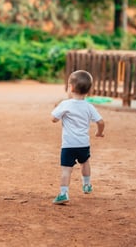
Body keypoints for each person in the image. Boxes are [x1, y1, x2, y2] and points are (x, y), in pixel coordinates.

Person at [51, 70, 105, 204]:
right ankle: (86, 185)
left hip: (68, 145)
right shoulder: (89, 106)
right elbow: (100, 122)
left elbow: (53, 119)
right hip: (83, 144)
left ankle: (64, 193)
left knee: (66, 170)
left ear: (71, 87)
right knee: (85, 162)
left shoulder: (65, 104)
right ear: (88, 90)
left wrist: (59, 111)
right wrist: (99, 132)